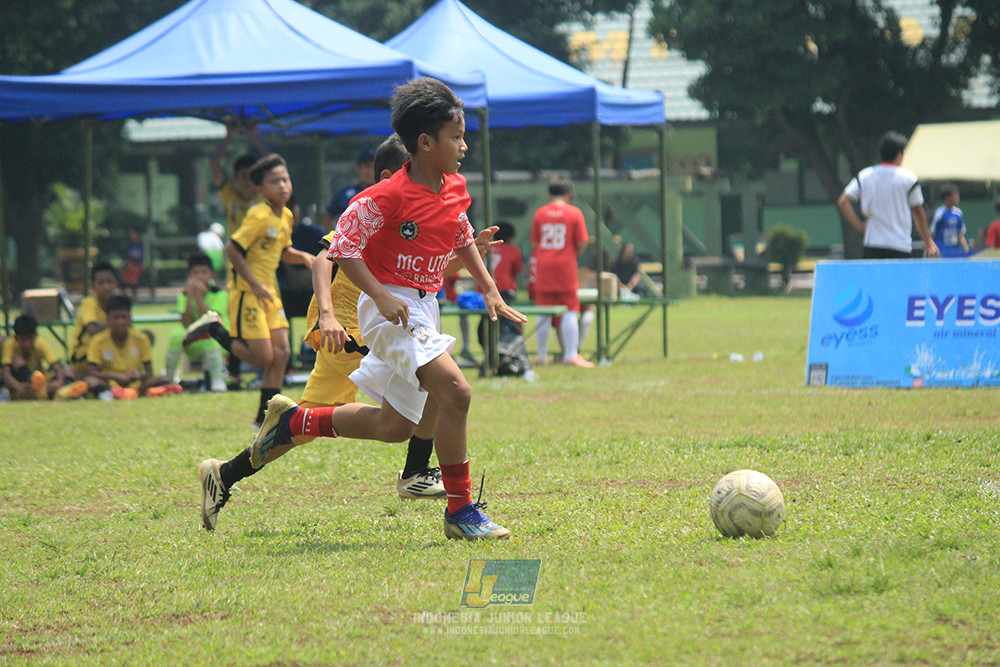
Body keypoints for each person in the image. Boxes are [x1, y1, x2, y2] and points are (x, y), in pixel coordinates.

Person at [243, 78, 526, 541]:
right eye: (456, 137)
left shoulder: (453, 187)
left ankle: (297, 419)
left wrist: (490, 288)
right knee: (456, 391)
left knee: (395, 426)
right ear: (425, 142)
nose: (464, 145)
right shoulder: (384, 197)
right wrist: (379, 295)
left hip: (423, 306)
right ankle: (460, 512)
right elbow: (345, 250)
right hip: (391, 310)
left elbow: (460, 235)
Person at [196, 133, 503, 532]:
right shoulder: (377, 204)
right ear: (397, 173)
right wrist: (327, 316)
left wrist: (470, 255)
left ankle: (227, 472)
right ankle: (415, 475)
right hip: (350, 331)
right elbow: (326, 258)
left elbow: (422, 276)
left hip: (383, 323)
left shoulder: (417, 210)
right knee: (438, 385)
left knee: (404, 412)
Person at [184, 154, 314, 426]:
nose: (283, 185)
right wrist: (254, 284)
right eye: (274, 181)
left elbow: (280, 251)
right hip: (248, 291)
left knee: (282, 355)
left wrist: (302, 257)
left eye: (285, 179)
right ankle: (214, 329)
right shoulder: (257, 214)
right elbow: (232, 249)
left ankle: (265, 418)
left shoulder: (286, 216)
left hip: (270, 292)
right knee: (263, 358)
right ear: (260, 189)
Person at [837, 131, 940, 259]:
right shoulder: (909, 179)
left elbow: (843, 202)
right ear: (899, 154)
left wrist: (859, 226)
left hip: (872, 243)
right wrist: (927, 240)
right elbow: (918, 212)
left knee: (875, 279)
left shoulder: (865, 176)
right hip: (900, 244)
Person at [531, 179, 594, 368]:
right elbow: (582, 242)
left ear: (550, 195)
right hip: (565, 266)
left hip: (543, 265)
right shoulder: (574, 213)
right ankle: (571, 354)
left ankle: (541, 355)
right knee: (570, 309)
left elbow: (535, 243)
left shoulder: (540, 213)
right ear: (569, 195)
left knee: (543, 310)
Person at [83, 295, 179, 399]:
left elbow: (149, 372)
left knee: (166, 378)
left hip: (135, 383)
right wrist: (117, 377)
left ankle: (148, 392)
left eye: (124, 317)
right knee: (90, 381)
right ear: (108, 319)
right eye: (116, 318)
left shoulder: (141, 339)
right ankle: (109, 394)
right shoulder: (98, 341)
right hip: (110, 383)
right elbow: (91, 372)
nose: (121, 322)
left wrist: (138, 375)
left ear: (130, 319)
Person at [165, 253, 229, 392]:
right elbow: (186, 324)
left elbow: (208, 322)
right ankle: (169, 377)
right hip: (195, 340)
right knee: (176, 334)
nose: (200, 276)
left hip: (218, 341)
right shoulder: (183, 295)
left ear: (212, 275)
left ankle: (217, 379)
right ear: (189, 276)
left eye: (204, 272)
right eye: (195, 273)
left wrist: (199, 298)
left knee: (211, 337)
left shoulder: (220, 294)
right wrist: (190, 298)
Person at [211, 121, 268, 237]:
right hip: (236, 253)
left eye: (251, 176)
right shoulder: (230, 196)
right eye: (242, 176)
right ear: (235, 178)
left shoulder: (264, 196)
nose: (247, 180)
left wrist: (256, 137)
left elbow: (276, 165)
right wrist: (228, 136)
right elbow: (214, 164)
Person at [67, 261, 120, 379]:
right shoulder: (90, 303)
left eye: (110, 282)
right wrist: (117, 327)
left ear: (116, 284)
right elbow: (93, 330)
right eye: (101, 283)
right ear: (93, 286)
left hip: (106, 351)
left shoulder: (117, 305)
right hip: (83, 354)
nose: (106, 287)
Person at [1, 314, 67, 401]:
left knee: (67, 369)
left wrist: (59, 381)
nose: (27, 344)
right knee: (16, 359)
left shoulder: (41, 345)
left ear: (35, 336)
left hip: (41, 385)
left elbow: (56, 366)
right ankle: (30, 379)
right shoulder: (10, 345)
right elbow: (6, 373)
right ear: (16, 338)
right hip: (20, 385)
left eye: (30, 339)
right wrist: (18, 386)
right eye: (23, 340)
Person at [322, 148, 376, 231]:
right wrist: (334, 238)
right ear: (358, 169)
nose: (371, 171)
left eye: (374, 166)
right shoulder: (346, 194)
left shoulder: (386, 193)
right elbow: (327, 216)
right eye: (367, 166)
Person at [929, 184, 969, 257]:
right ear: (947, 198)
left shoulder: (958, 213)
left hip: (954, 251)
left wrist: (966, 249)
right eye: (955, 196)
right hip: (941, 251)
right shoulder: (939, 213)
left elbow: (960, 234)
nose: (957, 198)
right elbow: (932, 233)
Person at [121, 228, 145, 301]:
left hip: (137, 265)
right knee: (125, 280)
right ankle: (124, 297)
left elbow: (141, 255)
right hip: (130, 264)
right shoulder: (131, 244)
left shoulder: (140, 244)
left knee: (134, 282)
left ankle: (135, 298)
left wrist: (138, 265)